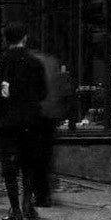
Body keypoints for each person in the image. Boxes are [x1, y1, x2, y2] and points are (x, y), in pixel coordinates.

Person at [0, 22, 48, 220]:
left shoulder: (1, 62)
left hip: (8, 122)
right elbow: (43, 92)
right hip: (31, 120)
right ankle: (27, 203)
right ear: (25, 38)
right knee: (28, 164)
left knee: (9, 168)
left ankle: (15, 210)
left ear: (6, 39)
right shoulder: (35, 62)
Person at [32, 49, 69, 207]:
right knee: (45, 154)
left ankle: (39, 193)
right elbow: (61, 87)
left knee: (34, 155)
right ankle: (44, 192)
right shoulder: (52, 61)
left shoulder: (31, 61)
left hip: (36, 113)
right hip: (51, 114)